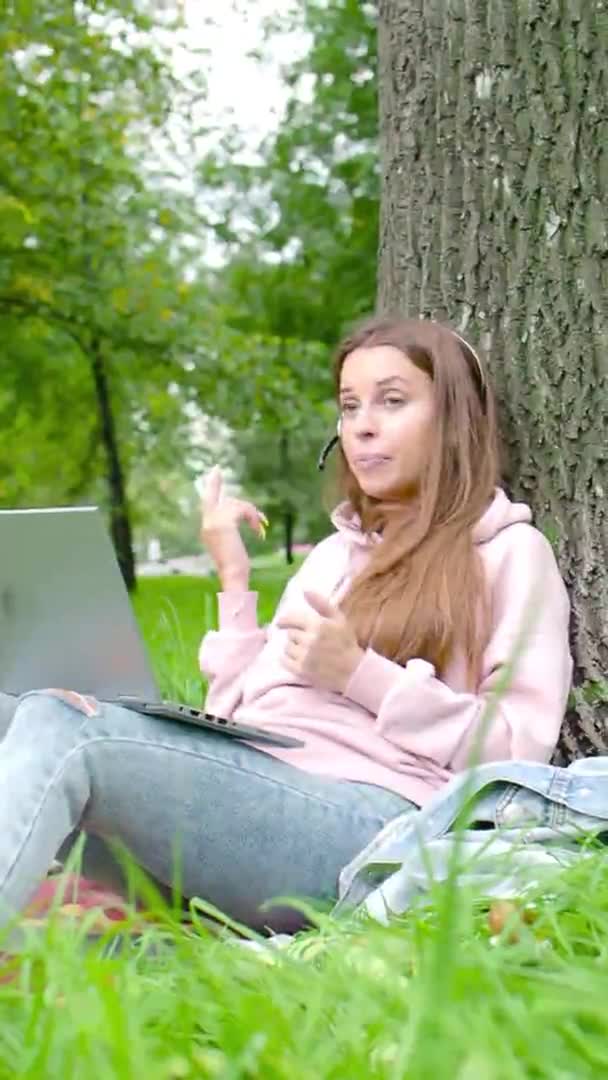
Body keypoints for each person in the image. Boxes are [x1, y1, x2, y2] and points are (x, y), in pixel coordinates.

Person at [0, 316, 572, 932]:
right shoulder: (334, 555)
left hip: (376, 825)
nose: (363, 426)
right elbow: (239, 722)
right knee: (19, 710)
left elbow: (516, 754)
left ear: (455, 418)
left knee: (69, 730)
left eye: (392, 401)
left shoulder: (511, 554)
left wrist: (361, 676)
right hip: (265, 792)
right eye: (349, 407)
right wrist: (235, 584)